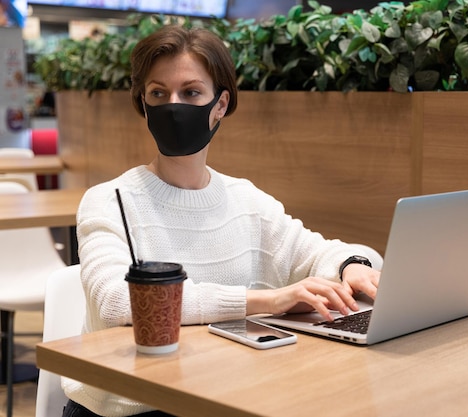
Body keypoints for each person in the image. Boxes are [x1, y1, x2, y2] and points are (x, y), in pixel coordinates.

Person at [62, 24, 381, 417]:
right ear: (143, 104)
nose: (173, 106)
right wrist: (270, 301)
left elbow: (322, 252)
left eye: (191, 92)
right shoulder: (108, 201)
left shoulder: (245, 200)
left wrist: (353, 267)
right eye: (158, 93)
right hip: (130, 408)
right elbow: (116, 302)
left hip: (220, 396)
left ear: (220, 104)